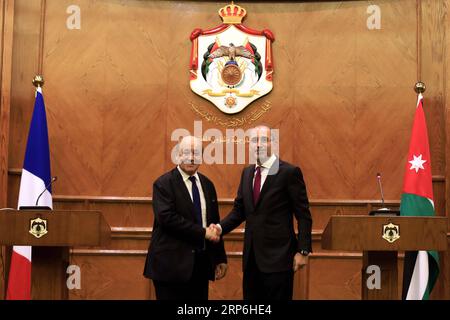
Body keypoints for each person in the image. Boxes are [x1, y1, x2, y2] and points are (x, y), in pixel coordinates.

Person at [213, 125, 312, 300]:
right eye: (254, 141)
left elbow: (303, 215)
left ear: (273, 143)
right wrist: (220, 228)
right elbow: (239, 211)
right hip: (252, 259)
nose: (258, 145)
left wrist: (303, 251)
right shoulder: (247, 173)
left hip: (279, 258)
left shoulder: (289, 172)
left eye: (263, 140)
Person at [143, 136, 227, 300]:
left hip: (200, 267)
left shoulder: (208, 185)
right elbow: (167, 219)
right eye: (186, 152)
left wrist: (220, 258)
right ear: (178, 155)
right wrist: (203, 233)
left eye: (196, 153)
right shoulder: (163, 184)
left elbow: (214, 223)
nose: (191, 157)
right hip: (170, 268)